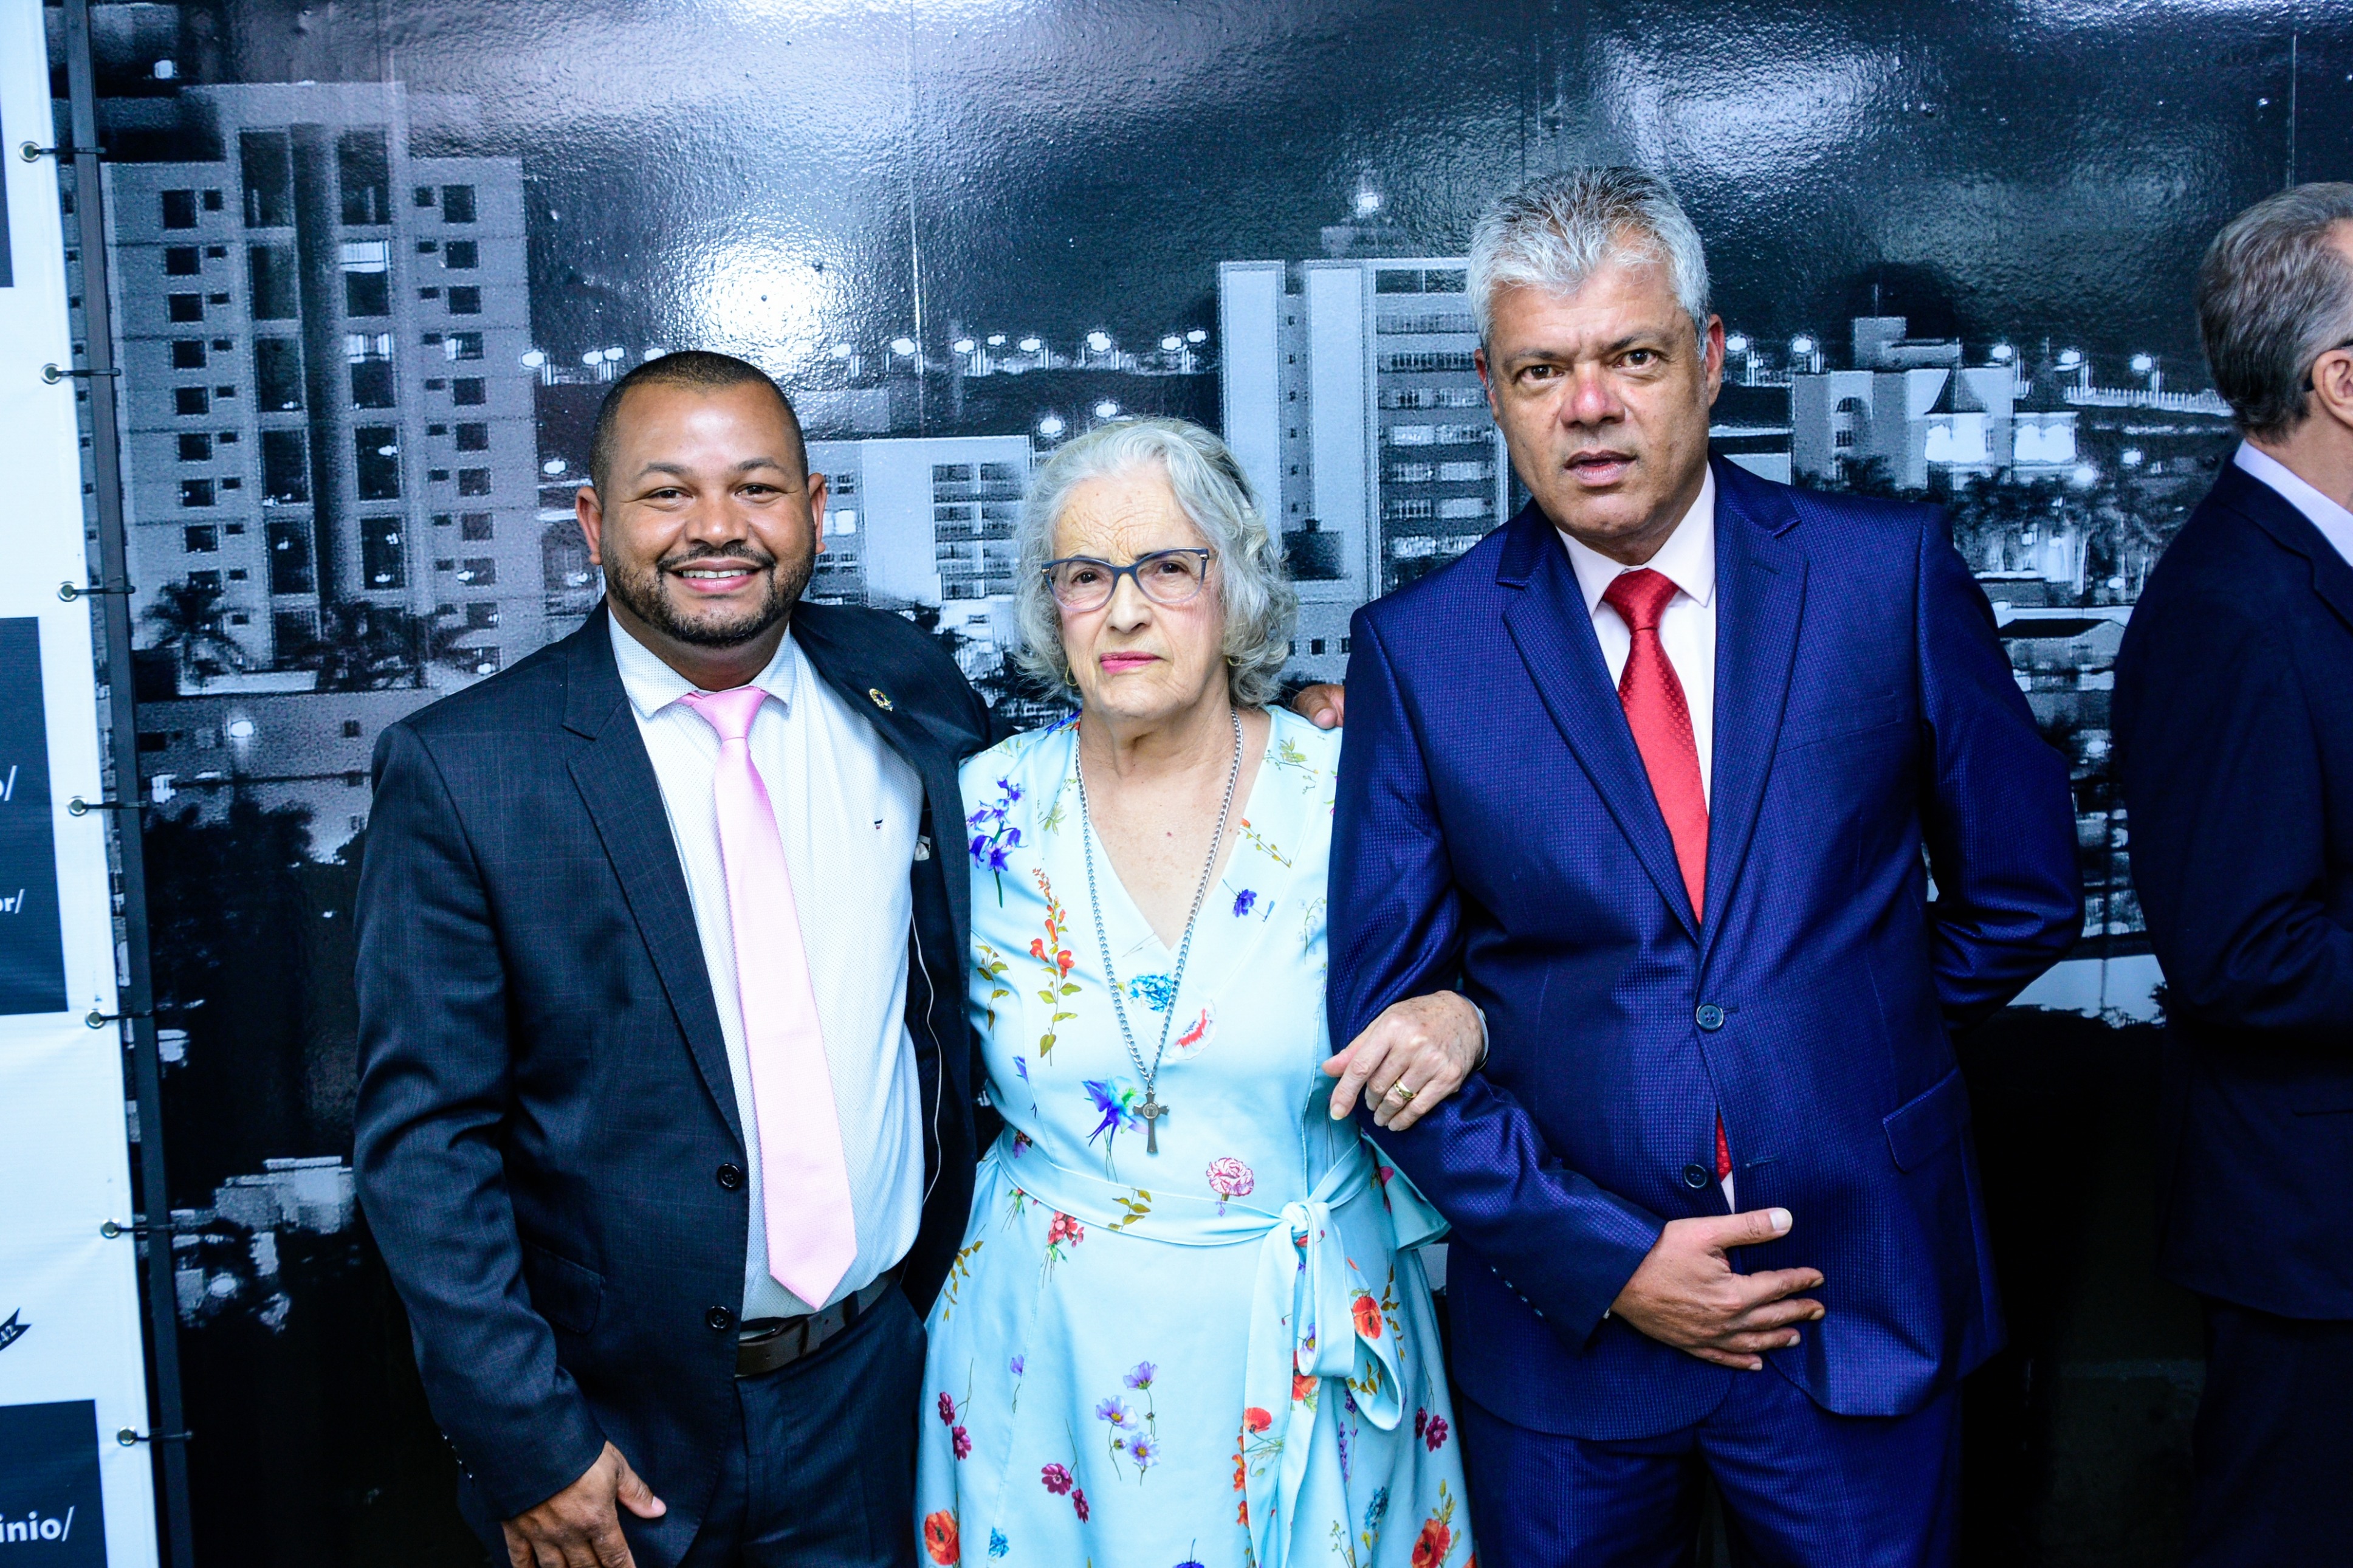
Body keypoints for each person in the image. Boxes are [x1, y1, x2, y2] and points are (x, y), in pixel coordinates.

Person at [1325, 168, 2084, 1564]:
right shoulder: (1418, 653)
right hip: (1567, 1346)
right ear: (1492, 389)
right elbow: (1382, 1037)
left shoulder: (1884, 579)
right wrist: (1609, 1263)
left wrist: (1838, 1037)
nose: (1588, 406)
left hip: (1855, 1294)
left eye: (1631, 356)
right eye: (1542, 370)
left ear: (1709, 356)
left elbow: (2024, 890)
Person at [354, 350, 999, 1567]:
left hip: (876, 1392)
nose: (717, 528)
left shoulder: (907, 686)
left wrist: (1289, 719)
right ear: (593, 523)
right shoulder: (469, 769)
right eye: (667, 493)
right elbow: (425, 1148)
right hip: (612, 1441)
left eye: (756, 488)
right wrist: (530, 1444)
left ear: (814, 511)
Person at [915, 418, 1480, 1567]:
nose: (1125, 612)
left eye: (1169, 568)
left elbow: (1520, 969)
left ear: (1239, 586)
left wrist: (1464, 1015)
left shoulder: (1356, 790)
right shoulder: (975, 813)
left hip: (1315, 1336)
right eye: (1085, 576)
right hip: (1052, 1362)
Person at [2111, 184, 2353, 1568]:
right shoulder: (2227, 608)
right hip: (2311, 1244)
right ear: (2341, 383)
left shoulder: (2304, 573)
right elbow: (2242, 955)